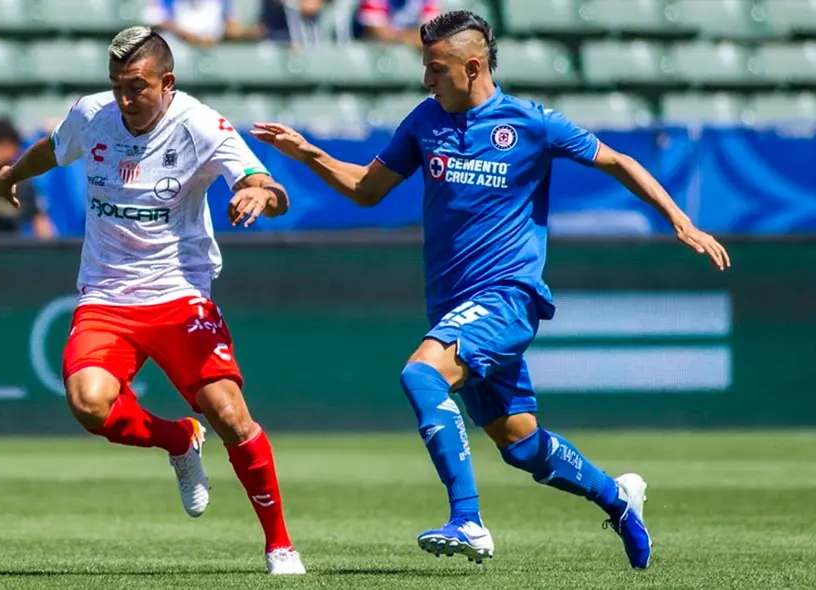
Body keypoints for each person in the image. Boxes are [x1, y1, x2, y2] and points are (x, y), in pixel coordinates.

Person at [252, 10, 730, 570]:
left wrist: (680, 220)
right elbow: (366, 189)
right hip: (454, 306)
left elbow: (618, 160)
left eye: (436, 69)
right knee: (522, 445)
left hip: (508, 296)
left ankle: (468, 520)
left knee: (422, 375)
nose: (427, 80)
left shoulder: (530, 123)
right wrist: (308, 153)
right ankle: (618, 497)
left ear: (472, 66)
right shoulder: (425, 121)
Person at [0, 26, 305, 575]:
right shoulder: (95, 114)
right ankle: (179, 439)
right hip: (107, 294)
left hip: (179, 293)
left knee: (230, 414)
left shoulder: (202, 125)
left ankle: (280, 544)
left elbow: (265, 184)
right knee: (88, 403)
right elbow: (56, 146)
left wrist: (259, 192)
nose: (125, 99)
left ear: (167, 82)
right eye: (117, 86)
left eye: (136, 87)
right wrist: (13, 174)